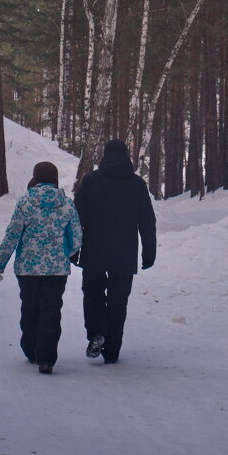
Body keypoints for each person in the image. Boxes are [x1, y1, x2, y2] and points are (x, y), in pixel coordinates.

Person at [0, 161, 82, 374]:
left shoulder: (25, 204)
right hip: (57, 270)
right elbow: (77, 237)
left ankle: (31, 350)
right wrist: (64, 253)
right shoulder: (67, 205)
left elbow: (12, 236)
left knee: (30, 308)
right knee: (51, 311)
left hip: (28, 269)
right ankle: (47, 359)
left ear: (35, 178)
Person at [73, 138, 156, 365]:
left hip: (94, 251)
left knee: (92, 293)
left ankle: (97, 332)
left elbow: (76, 216)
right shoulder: (137, 184)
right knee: (119, 300)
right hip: (124, 253)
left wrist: (73, 249)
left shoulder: (91, 181)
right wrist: (149, 250)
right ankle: (112, 351)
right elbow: (147, 220)